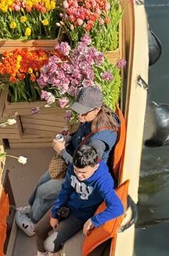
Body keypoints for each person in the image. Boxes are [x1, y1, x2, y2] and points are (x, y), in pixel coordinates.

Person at [15, 85, 119, 237]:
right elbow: (81, 134)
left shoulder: (98, 142)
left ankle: (33, 222)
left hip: (82, 177)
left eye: (83, 113)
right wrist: (68, 138)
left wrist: (62, 151)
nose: (79, 116)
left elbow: (82, 168)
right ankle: (32, 209)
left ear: (96, 110)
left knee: (44, 192)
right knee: (42, 180)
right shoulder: (94, 117)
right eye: (78, 110)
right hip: (73, 161)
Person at [25, 144, 124, 256]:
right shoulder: (74, 167)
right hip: (67, 206)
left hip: (80, 215)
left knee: (50, 245)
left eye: (83, 173)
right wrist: (55, 213)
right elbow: (65, 190)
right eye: (77, 171)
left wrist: (94, 220)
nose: (79, 175)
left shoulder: (103, 181)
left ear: (95, 167)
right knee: (39, 229)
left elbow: (118, 207)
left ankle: (53, 252)